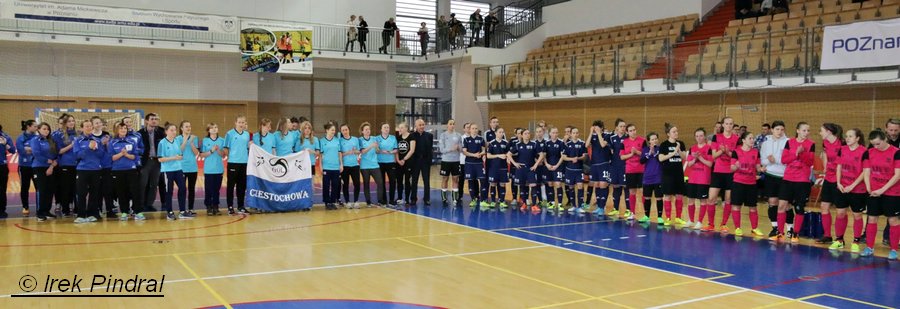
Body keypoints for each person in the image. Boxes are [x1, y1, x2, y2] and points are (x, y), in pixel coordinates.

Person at [772, 122, 816, 244]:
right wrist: (795, 154)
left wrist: (801, 153)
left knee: (799, 207)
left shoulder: (811, 144)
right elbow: (784, 160)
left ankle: (795, 233)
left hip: (802, 180)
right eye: (804, 130)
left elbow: (810, 162)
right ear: (797, 131)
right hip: (788, 178)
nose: (806, 133)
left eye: (808, 131)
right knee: (781, 205)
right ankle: (780, 232)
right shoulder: (789, 142)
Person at [860, 130, 900, 259]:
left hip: (892, 192)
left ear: (885, 139)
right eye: (873, 144)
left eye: (878, 144)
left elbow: (897, 175)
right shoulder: (869, 152)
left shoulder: (896, 152)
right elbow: (866, 172)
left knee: (893, 220)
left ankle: (894, 250)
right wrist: (868, 188)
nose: (876, 147)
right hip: (874, 192)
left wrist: (882, 190)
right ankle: (869, 247)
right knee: (871, 219)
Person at [830, 128, 867, 253]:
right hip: (842, 187)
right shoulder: (842, 149)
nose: (847, 138)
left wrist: (853, 185)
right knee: (840, 213)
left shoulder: (864, 151)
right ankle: (839, 240)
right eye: (846, 136)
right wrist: (838, 182)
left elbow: (865, 172)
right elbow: (839, 167)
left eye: (850, 136)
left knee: (857, 215)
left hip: (858, 189)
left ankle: (856, 241)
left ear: (857, 138)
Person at [731, 132, 765, 237]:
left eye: (753, 138)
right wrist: (736, 166)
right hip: (738, 182)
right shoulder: (736, 152)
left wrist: (761, 169)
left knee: (753, 207)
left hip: (751, 183)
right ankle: (737, 228)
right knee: (736, 206)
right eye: (750, 138)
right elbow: (731, 168)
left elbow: (758, 167)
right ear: (743, 140)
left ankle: (754, 228)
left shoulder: (756, 152)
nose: (752, 140)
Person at [109, 121, 144, 221]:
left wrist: (126, 155)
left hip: (131, 169)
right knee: (121, 192)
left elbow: (135, 156)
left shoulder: (132, 141)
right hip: (117, 170)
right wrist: (121, 154)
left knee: (134, 191)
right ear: (117, 130)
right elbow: (111, 158)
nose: (123, 130)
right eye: (121, 128)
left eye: (125, 128)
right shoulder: (112, 142)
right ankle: (124, 212)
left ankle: (138, 212)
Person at [710, 117, 739, 233]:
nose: (728, 126)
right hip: (718, 171)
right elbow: (713, 156)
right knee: (711, 198)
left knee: (728, 199)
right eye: (726, 123)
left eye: (731, 124)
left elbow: (737, 156)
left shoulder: (737, 139)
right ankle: (711, 224)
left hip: (730, 172)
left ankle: (724, 224)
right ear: (723, 125)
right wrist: (721, 151)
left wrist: (727, 151)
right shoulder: (716, 137)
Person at [817, 123, 844, 244]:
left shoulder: (842, 143)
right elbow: (826, 155)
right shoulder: (825, 143)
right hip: (828, 178)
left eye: (821, 131)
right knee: (824, 206)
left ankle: (840, 238)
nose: (820, 133)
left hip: (840, 179)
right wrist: (825, 166)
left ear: (828, 131)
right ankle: (827, 235)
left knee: (840, 211)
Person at [158, 123, 192, 220]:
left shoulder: (176, 141)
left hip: (178, 169)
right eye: (171, 130)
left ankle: (182, 211)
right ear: (166, 131)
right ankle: (169, 212)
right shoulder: (162, 143)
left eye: (175, 130)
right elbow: (160, 159)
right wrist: (174, 158)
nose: (174, 132)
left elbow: (179, 154)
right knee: (169, 191)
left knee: (183, 188)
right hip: (167, 170)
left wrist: (180, 157)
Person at [760, 121, 788, 238]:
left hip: (785, 176)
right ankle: (775, 227)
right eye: (777, 129)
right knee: (772, 202)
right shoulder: (765, 143)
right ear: (772, 130)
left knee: (786, 204)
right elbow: (763, 160)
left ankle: (790, 228)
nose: (779, 132)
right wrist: (769, 161)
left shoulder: (788, 142)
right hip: (770, 175)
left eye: (782, 129)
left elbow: (787, 159)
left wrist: (775, 160)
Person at [74, 120, 103, 223]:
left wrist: (96, 149)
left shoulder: (97, 140)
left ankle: (92, 214)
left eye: (90, 126)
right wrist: (88, 148)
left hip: (95, 169)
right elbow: (77, 155)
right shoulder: (78, 140)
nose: (89, 128)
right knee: (81, 193)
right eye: (86, 126)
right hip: (82, 169)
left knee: (94, 193)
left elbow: (101, 155)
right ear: (82, 128)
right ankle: (81, 215)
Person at [658, 123, 687, 226]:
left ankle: (678, 217)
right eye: (674, 132)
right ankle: (668, 218)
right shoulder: (664, 145)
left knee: (679, 195)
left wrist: (679, 150)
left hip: (678, 173)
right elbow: (661, 158)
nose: (676, 133)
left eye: (677, 131)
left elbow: (684, 157)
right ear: (668, 134)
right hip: (668, 174)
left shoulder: (681, 143)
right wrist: (673, 153)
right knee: (667, 196)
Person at [686, 128, 714, 230]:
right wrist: (695, 158)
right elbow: (689, 164)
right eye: (697, 136)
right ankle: (691, 220)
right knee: (690, 200)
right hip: (693, 179)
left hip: (703, 179)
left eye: (701, 136)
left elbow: (710, 164)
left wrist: (700, 158)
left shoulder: (709, 148)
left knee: (703, 201)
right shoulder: (692, 148)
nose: (699, 138)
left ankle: (700, 221)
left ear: (704, 136)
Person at [510, 128, 543, 212]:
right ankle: (524, 203)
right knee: (522, 186)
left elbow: (541, 155)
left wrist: (536, 164)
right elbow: (508, 154)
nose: (527, 135)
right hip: (521, 169)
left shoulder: (534, 144)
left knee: (533, 185)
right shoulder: (518, 145)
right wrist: (515, 163)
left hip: (531, 168)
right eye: (525, 133)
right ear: (521, 135)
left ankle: (534, 205)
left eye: (528, 133)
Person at [31, 122, 58, 222]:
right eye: (44, 129)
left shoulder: (51, 140)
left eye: (48, 129)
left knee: (50, 190)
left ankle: (47, 211)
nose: (46, 131)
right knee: (42, 190)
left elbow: (56, 154)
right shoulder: (35, 140)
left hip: (51, 167)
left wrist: (52, 165)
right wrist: (47, 161)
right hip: (39, 167)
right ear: (39, 130)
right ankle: (40, 213)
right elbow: (36, 153)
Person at [89, 117, 115, 218]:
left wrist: (107, 144)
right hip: (95, 166)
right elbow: (91, 151)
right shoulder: (90, 136)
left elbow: (110, 150)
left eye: (99, 122)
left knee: (108, 189)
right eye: (96, 123)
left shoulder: (107, 135)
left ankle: (109, 210)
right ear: (92, 125)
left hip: (107, 165)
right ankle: (98, 209)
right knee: (96, 190)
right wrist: (101, 143)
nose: (99, 124)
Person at [224, 116, 250, 215]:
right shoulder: (229, 134)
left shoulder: (247, 134)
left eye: (243, 122)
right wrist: (231, 158)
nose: (241, 124)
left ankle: (241, 206)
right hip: (233, 163)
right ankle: (230, 207)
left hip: (244, 163)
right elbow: (225, 148)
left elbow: (247, 147)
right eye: (239, 122)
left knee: (242, 186)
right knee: (231, 186)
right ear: (235, 122)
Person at [139, 113, 165, 213]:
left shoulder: (161, 132)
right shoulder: (140, 133)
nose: (154, 120)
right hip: (145, 161)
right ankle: (140, 204)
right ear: (146, 121)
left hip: (156, 161)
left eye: (155, 119)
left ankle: (149, 204)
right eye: (152, 119)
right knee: (143, 184)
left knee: (154, 184)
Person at [52, 114, 77, 217]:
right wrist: (71, 145)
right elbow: (59, 151)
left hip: (77, 164)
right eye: (69, 121)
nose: (71, 123)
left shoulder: (77, 134)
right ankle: (65, 209)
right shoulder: (59, 135)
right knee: (65, 187)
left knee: (75, 188)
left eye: (73, 121)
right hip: (65, 164)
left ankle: (75, 208)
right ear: (65, 123)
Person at [620, 124, 646, 221]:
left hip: (641, 169)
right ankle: (632, 213)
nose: (633, 132)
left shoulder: (642, 141)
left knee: (643, 191)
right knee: (632, 192)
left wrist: (637, 152)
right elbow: (622, 157)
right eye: (630, 131)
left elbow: (646, 155)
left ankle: (645, 214)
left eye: (634, 130)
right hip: (630, 170)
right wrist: (631, 154)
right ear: (627, 132)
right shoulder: (624, 142)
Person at [588, 121, 613, 216]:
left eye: (597, 127)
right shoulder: (593, 136)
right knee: (597, 185)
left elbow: (603, 144)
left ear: (601, 127)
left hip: (604, 164)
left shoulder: (607, 135)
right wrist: (591, 133)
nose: (596, 129)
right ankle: (599, 206)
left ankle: (602, 207)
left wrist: (599, 133)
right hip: (594, 164)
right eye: (594, 127)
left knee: (603, 184)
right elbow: (586, 145)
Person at [201, 123, 226, 215]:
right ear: (208, 130)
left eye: (215, 127)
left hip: (219, 169)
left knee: (216, 190)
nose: (214, 129)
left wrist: (218, 150)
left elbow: (223, 155)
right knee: (208, 189)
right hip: (208, 170)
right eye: (211, 128)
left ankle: (216, 206)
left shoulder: (222, 140)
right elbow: (202, 154)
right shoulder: (205, 140)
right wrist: (211, 151)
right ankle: (208, 206)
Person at [176, 121, 200, 215]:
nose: (188, 128)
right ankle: (182, 209)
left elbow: (196, 153)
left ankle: (191, 208)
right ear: (181, 128)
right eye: (186, 126)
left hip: (192, 167)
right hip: (181, 168)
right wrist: (186, 139)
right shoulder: (178, 138)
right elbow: (179, 151)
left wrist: (192, 143)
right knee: (182, 189)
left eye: (189, 126)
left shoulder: (194, 138)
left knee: (191, 189)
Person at [608, 119, 630, 218]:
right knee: (616, 187)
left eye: (624, 126)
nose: (623, 128)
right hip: (614, 166)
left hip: (625, 166)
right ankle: (615, 209)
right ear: (616, 127)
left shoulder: (628, 138)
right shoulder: (612, 138)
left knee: (626, 187)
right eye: (621, 126)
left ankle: (628, 210)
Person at [562, 127, 588, 213]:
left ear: (578, 134)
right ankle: (573, 205)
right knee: (571, 187)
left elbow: (584, 156)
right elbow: (564, 157)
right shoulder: (567, 144)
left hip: (579, 170)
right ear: (571, 134)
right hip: (569, 170)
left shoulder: (582, 143)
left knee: (580, 186)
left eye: (577, 133)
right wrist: (572, 159)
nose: (575, 134)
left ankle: (580, 206)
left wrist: (578, 158)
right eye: (573, 133)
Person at [640, 132, 663, 224]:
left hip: (658, 177)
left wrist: (655, 154)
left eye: (656, 139)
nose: (654, 141)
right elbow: (642, 161)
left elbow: (662, 160)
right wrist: (649, 153)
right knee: (647, 197)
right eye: (652, 139)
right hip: (647, 178)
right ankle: (646, 216)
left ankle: (660, 217)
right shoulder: (645, 149)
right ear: (649, 141)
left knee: (659, 198)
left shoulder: (661, 149)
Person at [462, 123, 487, 208]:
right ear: (470, 130)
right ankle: (473, 199)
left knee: (483, 181)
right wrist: (474, 155)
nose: (474, 130)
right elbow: (464, 152)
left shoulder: (481, 139)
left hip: (479, 163)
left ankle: (483, 200)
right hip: (469, 163)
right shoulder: (466, 139)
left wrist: (480, 154)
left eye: (476, 128)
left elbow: (484, 150)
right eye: (473, 128)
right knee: (471, 181)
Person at [358, 122, 383, 207]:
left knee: (380, 183)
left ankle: (380, 201)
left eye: (369, 129)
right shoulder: (360, 140)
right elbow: (362, 152)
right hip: (364, 166)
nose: (368, 131)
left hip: (375, 165)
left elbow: (378, 151)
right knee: (366, 184)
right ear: (362, 131)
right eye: (366, 129)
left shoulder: (374, 138)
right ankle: (368, 202)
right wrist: (371, 146)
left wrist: (376, 147)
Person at [16, 120, 37, 216]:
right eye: (34, 126)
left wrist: (29, 149)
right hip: (24, 167)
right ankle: (25, 206)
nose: (36, 128)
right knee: (25, 187)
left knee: (38, 187)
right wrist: (31, 149)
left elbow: (38, 150)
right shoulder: (20, 138)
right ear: (28, 126)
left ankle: (40, 206)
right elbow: (21, 151)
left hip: (36, 166)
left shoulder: (37, 138)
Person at [320, 123, 342, 210]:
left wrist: (341, 164)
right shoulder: (322, 141)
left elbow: (339, 153)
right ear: (327, 130)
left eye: (334, 130)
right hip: (326, 167)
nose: (334, 131)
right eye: (332, 130)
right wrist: (321, 166)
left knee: (335, 185)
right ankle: (327, 202)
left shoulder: (337, 140)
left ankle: (332, 202)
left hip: (336, 167)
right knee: (326, 185)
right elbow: (321, 155)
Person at [439, 119, 462, 204]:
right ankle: (444, 198)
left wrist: (459, 148)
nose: (452, 125)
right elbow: (442, 150)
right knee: (445, 178)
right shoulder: (443, 135)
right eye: (450, 124)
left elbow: (461, 149)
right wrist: (451, 149)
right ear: (447, 125)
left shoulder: (458, 135)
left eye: (453, 124)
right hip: (446, 161)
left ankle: (455, 198)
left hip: (456, 160)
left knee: (455, 179)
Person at [375, 123, 398, 207]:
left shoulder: (393, 138)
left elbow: (396, 149)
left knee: (392, 181)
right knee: (382, 182)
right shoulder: (377, 138)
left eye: (388, 127)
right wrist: (381, 151)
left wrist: (390, 152)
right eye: (384, 127)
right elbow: (376, 150)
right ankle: (383, 200)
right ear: (381, 129)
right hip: (380, 162)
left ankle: (391, 200)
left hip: (390, 162)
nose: (386, 129)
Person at [339, 124, 361, 208]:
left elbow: (359, 151)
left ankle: (356, 201)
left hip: (355, 165)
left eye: (346, 129)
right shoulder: (340, 141)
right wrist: (347, 153)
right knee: (345, 184)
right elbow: (339, 154)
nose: (345, 131)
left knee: (357, 184)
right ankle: (347, 201)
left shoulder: (355, 139)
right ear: (341, 131)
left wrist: (355, 151)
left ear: (349, 130)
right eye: (343, 130)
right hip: (345, 166)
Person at [487, 127, 510, 208]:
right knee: (493, 183)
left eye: (502, 132)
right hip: (493, 167)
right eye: (500, 132)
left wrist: (507, 156)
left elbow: (509, 154)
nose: (501, 133)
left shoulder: (506, 143)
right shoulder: (491, 143)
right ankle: (493, 201)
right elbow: (488, 156)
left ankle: (502, 201)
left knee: (502, 184)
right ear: (495, 133)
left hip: (503, 167)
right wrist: (498, 155)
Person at [544, 127, 566, 211]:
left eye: (556, 132)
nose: (555, 134)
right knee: (550, 184)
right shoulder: (546, 143)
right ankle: (552, 203)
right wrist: (547, 164)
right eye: (553, 132)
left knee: (558, 184)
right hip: (548, 167)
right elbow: (544, 156)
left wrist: (556, 166)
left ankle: (560, 204)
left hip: (558, 167)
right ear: (550, 134)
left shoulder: (561, 143)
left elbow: (562, 156)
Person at [412, 119, 434, 205]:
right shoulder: (412, 135)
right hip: (415, 161)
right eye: (420, 125)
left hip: (425, 161)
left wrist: (430, 161)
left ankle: (426, 198)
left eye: (423, 124)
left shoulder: (429, 136)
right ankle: (413, 198)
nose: (422, 126)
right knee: (414, 180)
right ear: (416, 126)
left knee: (426, 181)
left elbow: (430, 149)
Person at [396, 122, 417, 206]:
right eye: (399, 127)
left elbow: (412, 150)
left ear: (406, 128)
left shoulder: (411, 136)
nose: (400, 129)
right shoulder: (398, 138)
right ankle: (399, 198)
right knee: (399, 180)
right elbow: (396, 150)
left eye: (401, 127)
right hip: (399, 163)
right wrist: (398, 160)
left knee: (407, 181)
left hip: (408, 162)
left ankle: (407, 199)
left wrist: (404, 159)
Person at [0, 125, 16, 218]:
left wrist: (5, 144)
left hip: (2, 166)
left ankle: (2, 210)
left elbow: (13, 150)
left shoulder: (5, 137)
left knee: (2, 189)